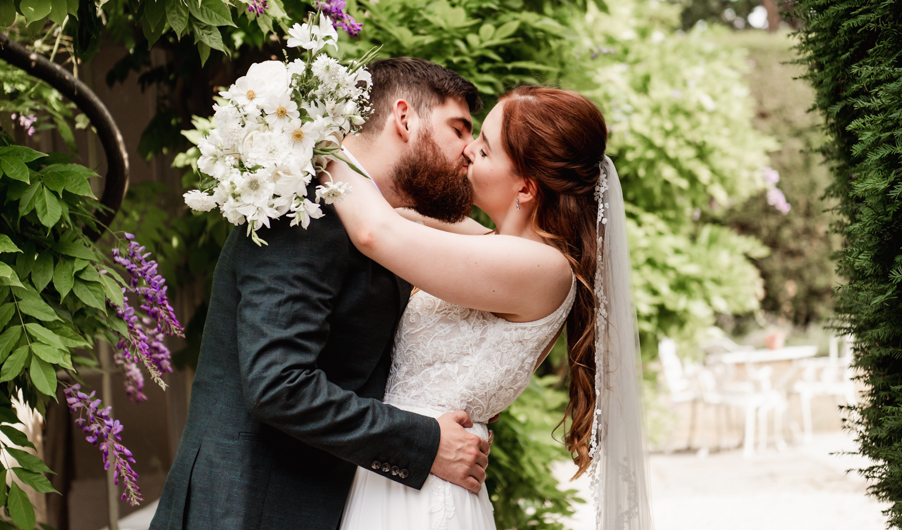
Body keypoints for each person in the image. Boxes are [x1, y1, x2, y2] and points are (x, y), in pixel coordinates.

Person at [150, 58, 493, 530]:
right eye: (459, 129)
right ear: (404, 117)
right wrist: (425, 444)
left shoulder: (376, 221)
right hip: (249, 508)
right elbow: (278, 385)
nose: (469, 151)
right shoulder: (303, 211)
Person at [330, 85, 653, 530]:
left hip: (423, 491)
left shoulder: (539, 267)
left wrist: (320, 139)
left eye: (483, 149)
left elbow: (375, 233)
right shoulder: (498, 248)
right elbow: (405, 215)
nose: (466, 151)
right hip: (407, 464)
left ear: (524, 187)